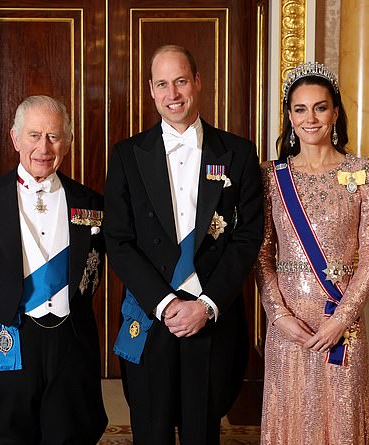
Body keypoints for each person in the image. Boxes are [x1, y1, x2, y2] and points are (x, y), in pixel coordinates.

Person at [104, 45, 264, 445]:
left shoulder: (238, 153)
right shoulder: (126, 155)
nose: (172, 93)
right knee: (150, 432)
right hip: (152, 311)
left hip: (210, 314)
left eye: (180, 81)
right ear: (151, 91)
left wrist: (207, 304)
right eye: (162, 84)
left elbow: (247, 236)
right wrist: (166, 304)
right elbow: (117, 240)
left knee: (202, 431)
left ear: (197, 82)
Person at [0, 95, 107, 444]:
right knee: (6, 436)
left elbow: (93, 274)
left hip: (70, 342)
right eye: (34, 135)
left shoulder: (92, 204)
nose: (44, 147)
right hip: (8, 338)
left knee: (68, 435)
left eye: (54, 136)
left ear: (68, 143)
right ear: (15, 139)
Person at [255, 61, 369, 444]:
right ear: (289, 117)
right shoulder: (270, 176)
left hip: (341, 322)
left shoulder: (365, 171)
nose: (310, 118)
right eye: (300, 109)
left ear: (335, 112)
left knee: (341, 416)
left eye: (320, 107)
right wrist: (278, 316)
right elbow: (262, 253)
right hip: (289, 324)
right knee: (291, 414)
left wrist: (341, 320)